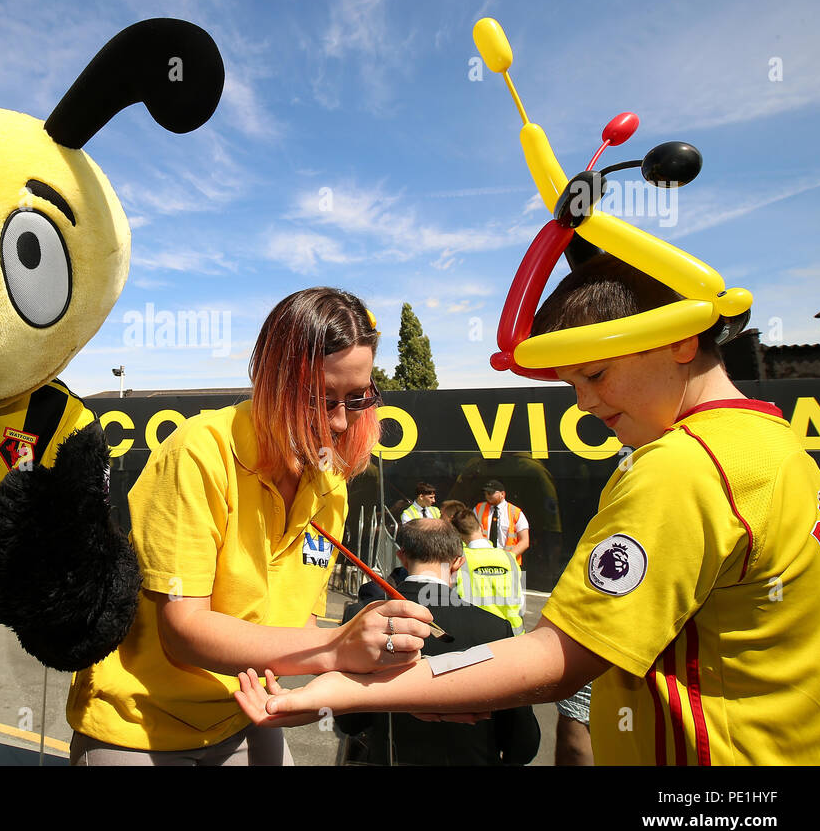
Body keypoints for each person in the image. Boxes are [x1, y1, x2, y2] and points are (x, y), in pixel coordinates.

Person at [234, 255, 820, 765]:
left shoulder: (683, 465)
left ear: (681, 338)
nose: (586, 402)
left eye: (595, 373)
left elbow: (558, 658)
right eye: (572, 382)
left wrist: (347, 691)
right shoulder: (772, 446)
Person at [66, 287, 434, 765]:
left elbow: (300, 617)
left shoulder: (329, 484)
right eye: (323, 398)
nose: (342, 423)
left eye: (357, 397)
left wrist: (336, 685)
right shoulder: (198, 453)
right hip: (141, 723)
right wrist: (338, 648)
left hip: (244, 714)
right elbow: (184, 630)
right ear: (272, 380)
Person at [336, 518, 539, 766]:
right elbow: (523, 742)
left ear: (401, 557)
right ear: (458, 562)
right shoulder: (495, 628)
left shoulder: (363, 619)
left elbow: (349, 721)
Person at [450, 508, 524, 635]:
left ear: (458, 535)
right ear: (481, 526)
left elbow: (452, 599)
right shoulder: (510, 558)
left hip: (476, 635)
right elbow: (520, 601)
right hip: (512, 635)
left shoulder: (459, 561)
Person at [475, 480, 529, 564]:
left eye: (490, 493)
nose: (487, 496)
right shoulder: (478, 509)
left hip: (510, 563)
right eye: (486, 493)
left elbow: (525, 541)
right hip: (484, 562)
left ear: (502, 494)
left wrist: (508, 558)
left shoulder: (515, 512)